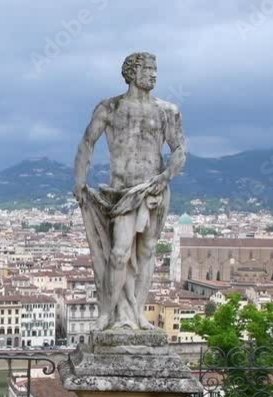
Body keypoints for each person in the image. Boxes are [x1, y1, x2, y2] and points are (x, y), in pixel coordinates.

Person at [73, 52, 187, 331]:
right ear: (132, 72)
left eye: (156, 69)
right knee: (119, 253)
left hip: (154, 190)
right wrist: (80, 181)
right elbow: (87, 142)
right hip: (122, 193)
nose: (154, 74)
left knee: (147, 251)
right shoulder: (110, 108)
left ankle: (136, 314)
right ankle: (108, 314)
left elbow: (180, 150)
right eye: (148, 69)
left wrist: (165, 177)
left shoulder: (167, 111)